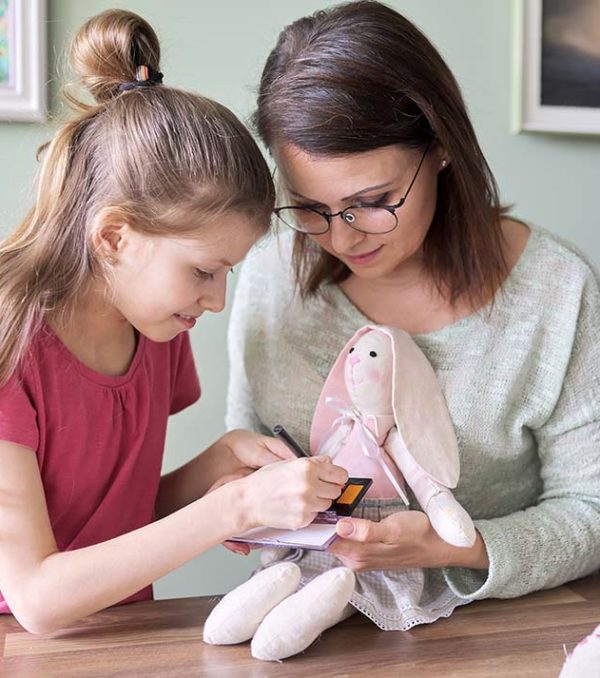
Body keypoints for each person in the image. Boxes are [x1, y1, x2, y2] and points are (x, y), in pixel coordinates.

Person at [224, 0, 600, 648]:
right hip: (307, 631)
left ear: (443, 148)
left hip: (497, 639)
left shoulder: (556, 293)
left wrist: (457, 547)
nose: (340, 237)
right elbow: (244, 453)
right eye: (310, 207)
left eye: (370, 203)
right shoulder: (269, 276)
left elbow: (591, 512)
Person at [0, 9, 349, 635]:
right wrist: (235, 508)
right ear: (114, 237)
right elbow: (37, 598)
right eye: (203, 271)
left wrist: (212, 472)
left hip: (119, 637)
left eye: (228, 274)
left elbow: (108, 522)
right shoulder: (9, 347)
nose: (214, 302)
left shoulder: (157, 328)